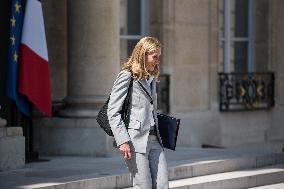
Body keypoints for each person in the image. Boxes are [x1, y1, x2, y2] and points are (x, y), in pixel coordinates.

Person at [107, 37, 168, 189]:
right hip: (135, 141)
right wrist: (122, 140)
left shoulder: (151, 77)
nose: (158, 60)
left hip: (155, 140)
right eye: (155, 57)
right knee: (143, 186)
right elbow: (112, 111)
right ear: (143, 55)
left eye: (159, 57)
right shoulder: (127, 76)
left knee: (162, 184)